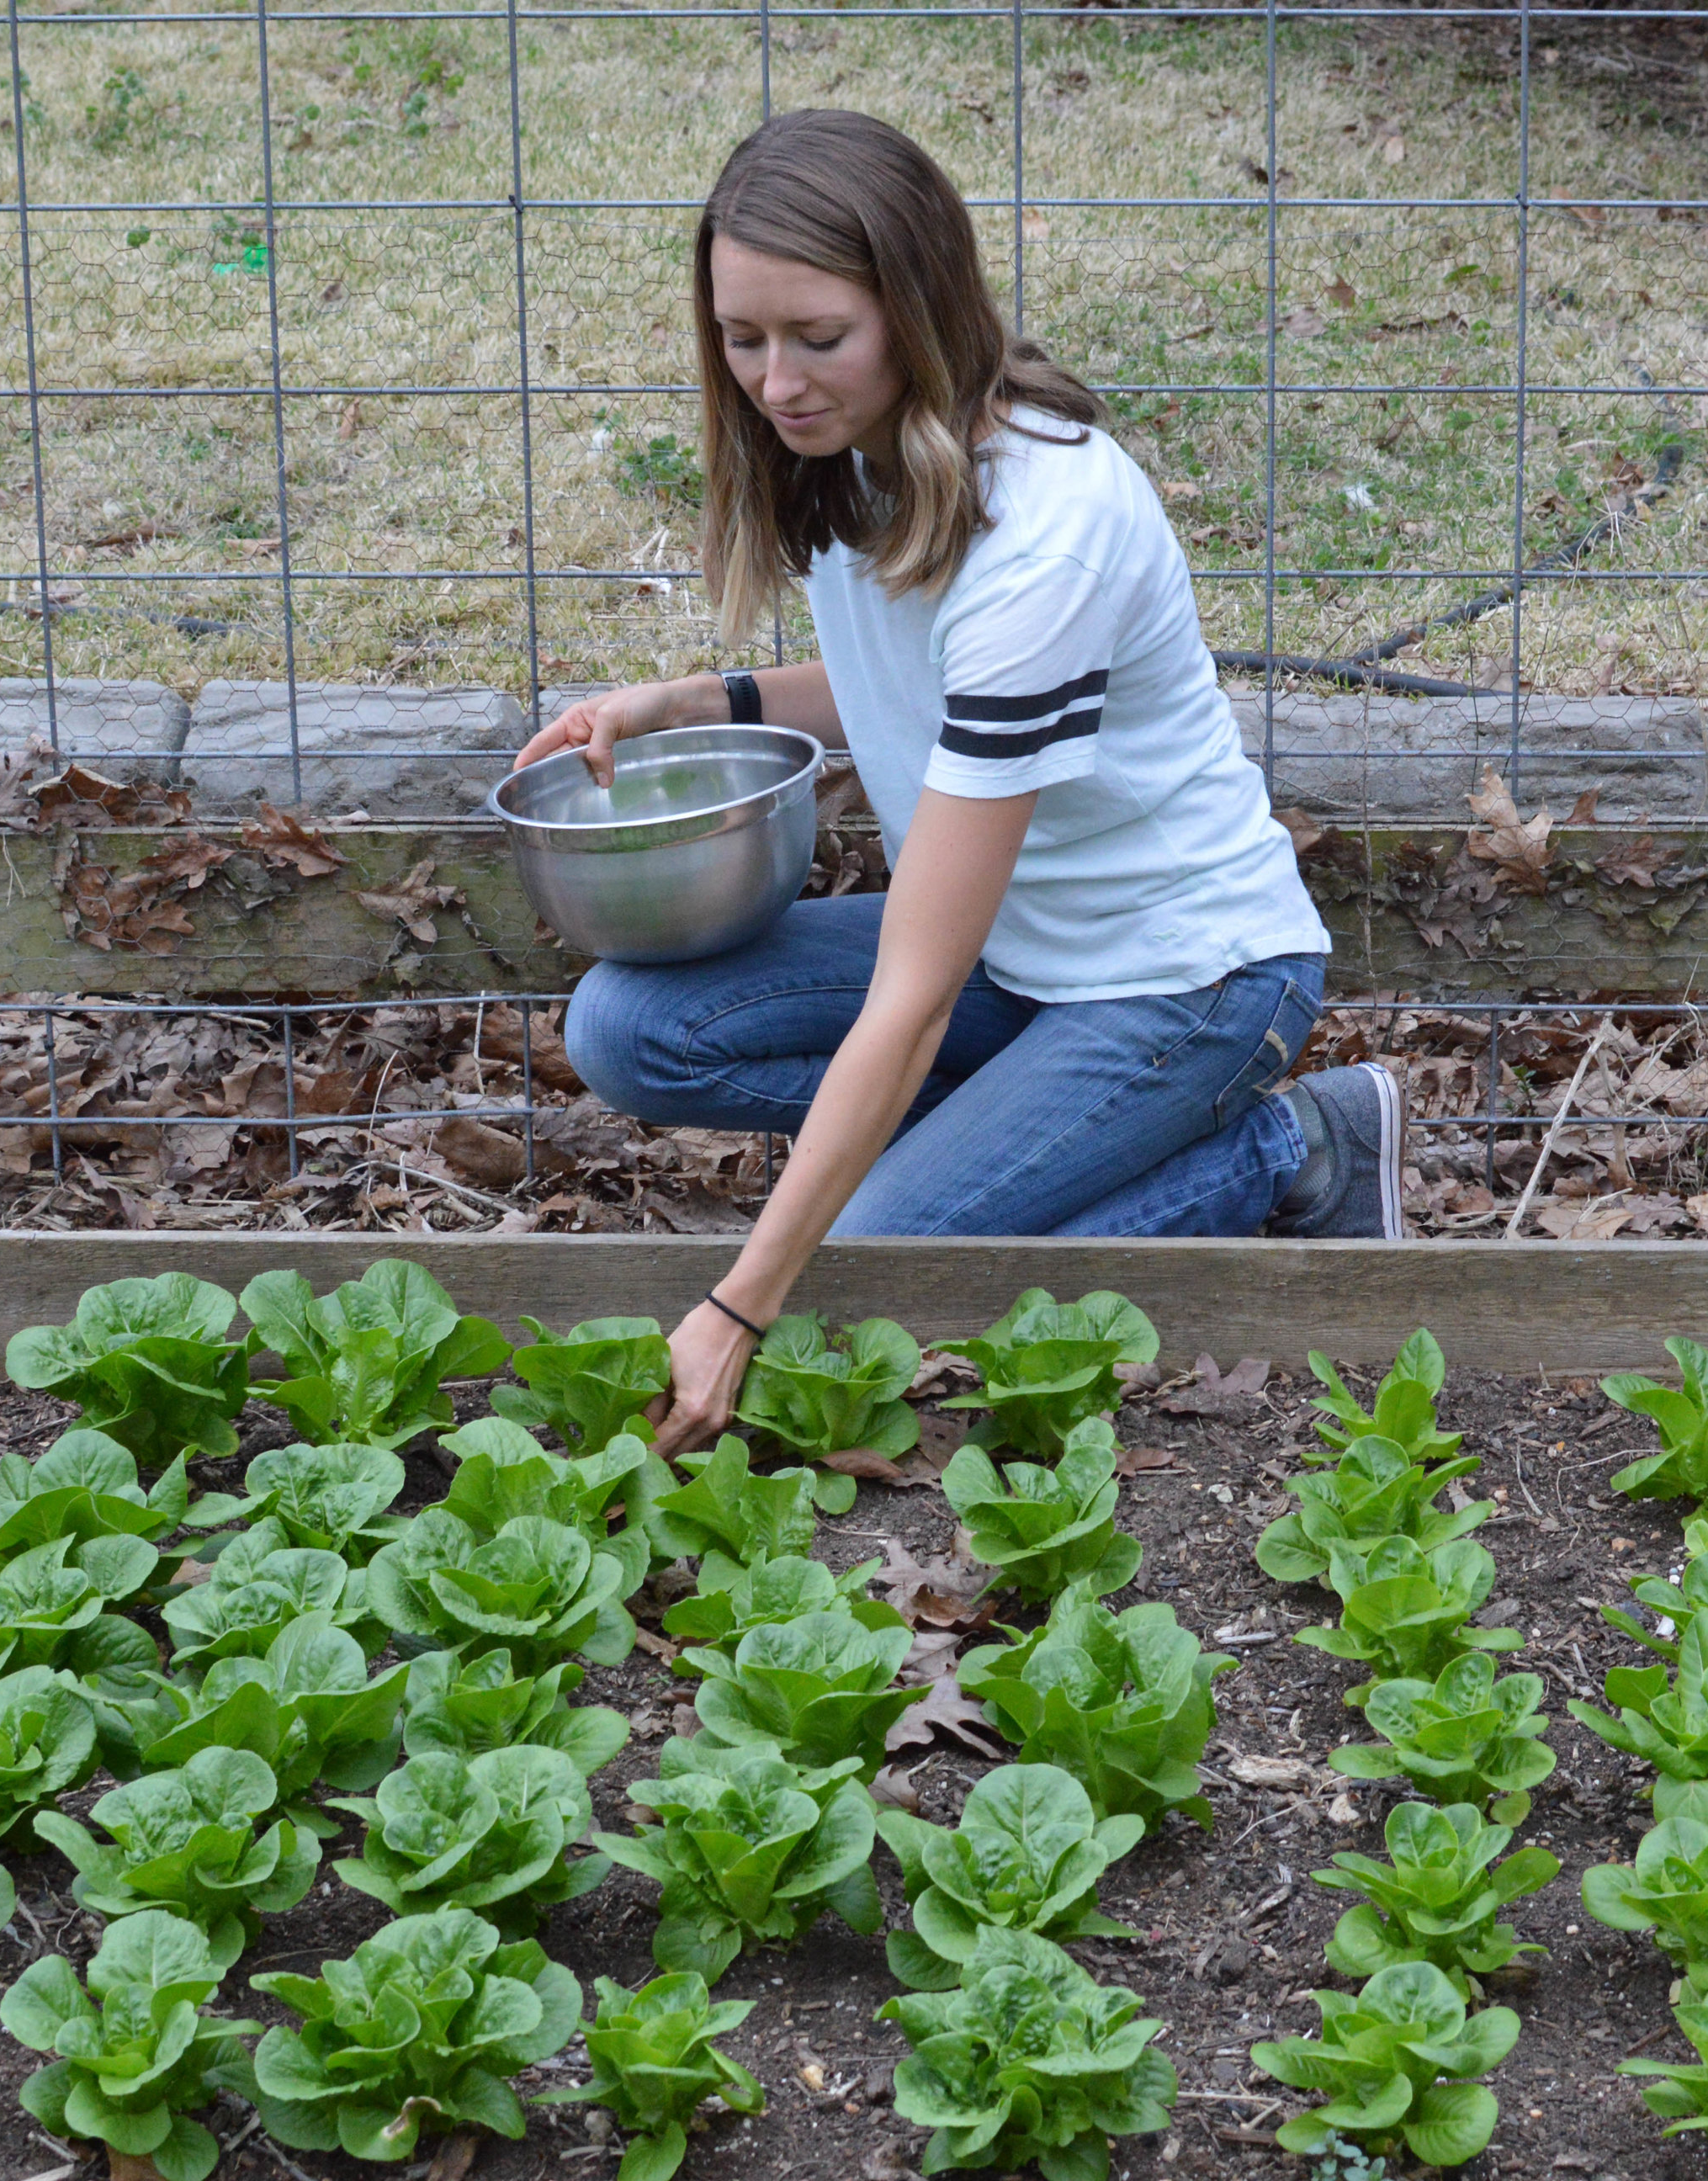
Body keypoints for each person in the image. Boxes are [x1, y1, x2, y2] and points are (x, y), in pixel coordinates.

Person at [510, 108, 1404, 1455]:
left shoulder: (1042, 540)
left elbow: (914, 997)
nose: (776, 380)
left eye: (818, 338)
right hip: (1026, 955)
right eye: (743, 340)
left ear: (919, 308)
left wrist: (739, 1307)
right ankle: (1022, 1147)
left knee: (874, 1276)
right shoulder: (869, 454)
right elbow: (917, 698)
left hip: (1188, 982)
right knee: (628, 1030)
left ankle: (1294, 1151)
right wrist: (698, 700)